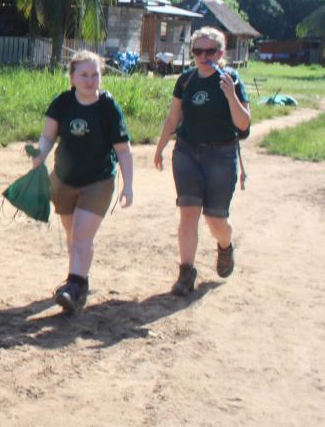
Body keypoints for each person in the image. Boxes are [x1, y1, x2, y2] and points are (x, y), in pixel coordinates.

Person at [30, 51, 134, 314]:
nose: (90, 80)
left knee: (80, 236)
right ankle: (80, 282)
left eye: (95, 74)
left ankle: (72, 287)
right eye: (84, 75)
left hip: (98, 181)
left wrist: (128, 185)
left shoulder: (108, 107)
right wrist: (39, 154)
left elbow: (123, 149)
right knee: (73, 235)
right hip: (64, 180)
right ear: (73, 78)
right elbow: (47, 137)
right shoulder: (62, 103)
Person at [154, 27, 250, 296]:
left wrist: (231, 95)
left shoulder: (231, 79)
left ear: (221, 53)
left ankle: (225, 246)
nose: (204, 56)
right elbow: (173, 118)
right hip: (187, 152)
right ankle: (186, 273)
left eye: (210, 51)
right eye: (198, 51)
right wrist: (160, 148)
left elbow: (243, 123)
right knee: (188, 212)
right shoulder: (185, 80)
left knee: (215, 219)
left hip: (221, 155)